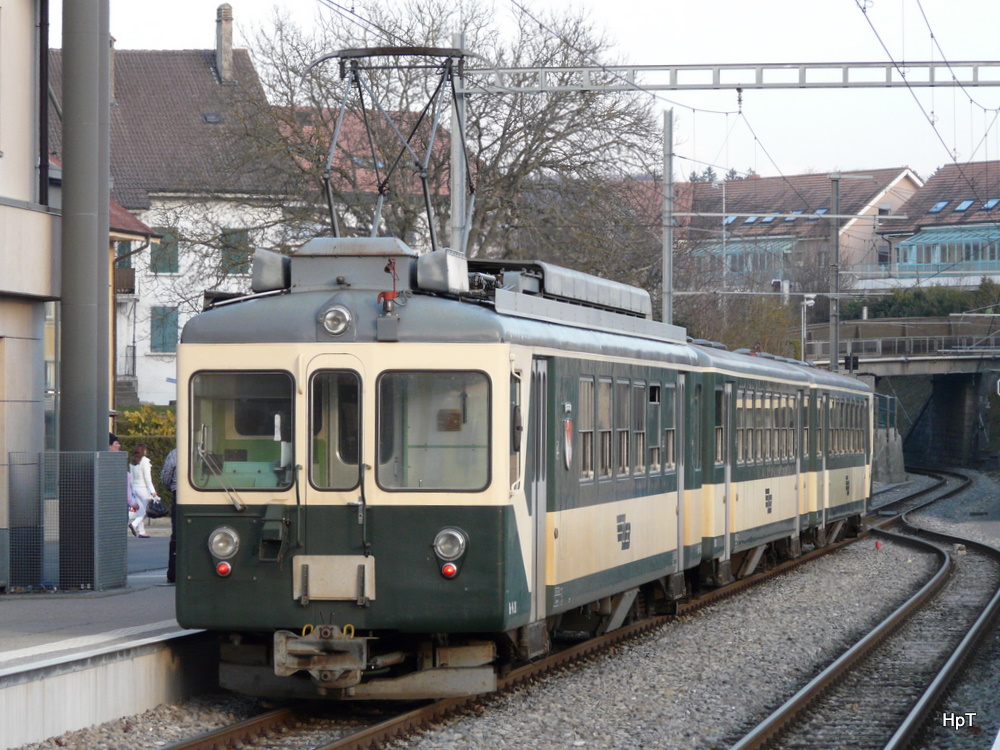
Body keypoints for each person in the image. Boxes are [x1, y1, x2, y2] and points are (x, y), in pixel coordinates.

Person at [128, 443, 159, 538]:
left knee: (140, 511)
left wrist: (132, 489)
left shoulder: (133, 461)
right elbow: (147, 478)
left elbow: (132, 478)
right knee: (147, 510)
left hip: (135, 488)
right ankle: (134, 524)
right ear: (143, 450)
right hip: (143, 489)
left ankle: (141, 532)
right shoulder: (145, 461)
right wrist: (153, 491)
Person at [161, 448, 178, 582]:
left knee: (177, 535)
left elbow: (166, 476)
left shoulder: (175, 453)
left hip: (179, 495)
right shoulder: (209, 451)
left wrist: (170, 487)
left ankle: (173, 571)